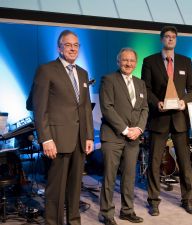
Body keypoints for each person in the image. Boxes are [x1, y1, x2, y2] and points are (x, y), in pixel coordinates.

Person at [32, 30, 94, 225]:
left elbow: (85, 107)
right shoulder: (46, 70)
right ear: (59, 47)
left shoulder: (83, 73)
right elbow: (39, 107)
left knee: (76, 186)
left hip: (79, 139)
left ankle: (74, 221)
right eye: (68, 44)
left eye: (76, 45)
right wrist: (46, 139)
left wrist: (89, 136)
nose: (73, 48)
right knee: (56, 189)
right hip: (57, 139)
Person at [141, 26, 192, 216]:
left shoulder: (185, 61)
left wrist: (185, 102)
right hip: (159, 118)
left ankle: (187, 199)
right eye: (167, 36)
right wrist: (156, 102)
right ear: (161, 39)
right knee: (155, 161)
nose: (170, 39)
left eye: (173, 37)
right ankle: (153, 200)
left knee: (185, 162)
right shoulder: (149, 61)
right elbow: (145, 89)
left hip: (179, 119)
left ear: (176, 40)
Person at [99, 48, 148, 225]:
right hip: (113, 136)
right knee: (110, 177)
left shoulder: (140, 83)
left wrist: (139, 129)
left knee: (129, 177)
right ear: (118, 61)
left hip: (134, 138)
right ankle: (106, 213)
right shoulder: (108, 80)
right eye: (125, 60)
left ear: (136, 63)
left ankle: (127, 211)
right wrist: (126, 130)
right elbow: (107, 107)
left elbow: (144, 109)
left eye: (132, 61)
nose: (128, 64)